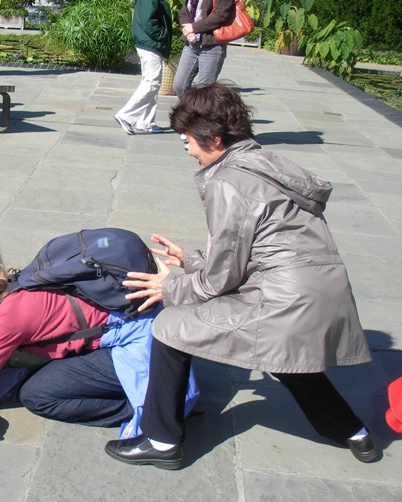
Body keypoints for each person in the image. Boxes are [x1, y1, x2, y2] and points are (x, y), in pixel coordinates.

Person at [104, 83, 378, 471]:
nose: (186, 146)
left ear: (213, 138)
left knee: (170, 326)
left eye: (188, 138)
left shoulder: (227, 180)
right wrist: (194, 259)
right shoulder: (266, 162)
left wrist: (172, 286)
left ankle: (162, 441)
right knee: (284, 353)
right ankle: (354, 432)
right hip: (321, 293)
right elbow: (252, 251)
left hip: (283, 298)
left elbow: (220, 280)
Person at [0, 267, 198, 434]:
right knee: (28, 374)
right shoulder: (6, 290)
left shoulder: (4, 323)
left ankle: (144, 405)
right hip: (134, 318)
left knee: (38, 396)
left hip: (133, 339)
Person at [173, 0, 235, 146]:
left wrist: (194, 27)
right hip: (191, 44)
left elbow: (221, 15)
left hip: (212, 45)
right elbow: (184, 12)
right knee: (179, 85)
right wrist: (187, 31)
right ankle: (191, 121)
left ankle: (200, 132)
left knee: (204, 90)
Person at [114, 0, 172, 136]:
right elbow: (148, 21)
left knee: (150, 82)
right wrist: (162, 35)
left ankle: (145, 122)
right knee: (152, 82)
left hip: (148, 42)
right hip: (150, 43)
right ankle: (126, 115)